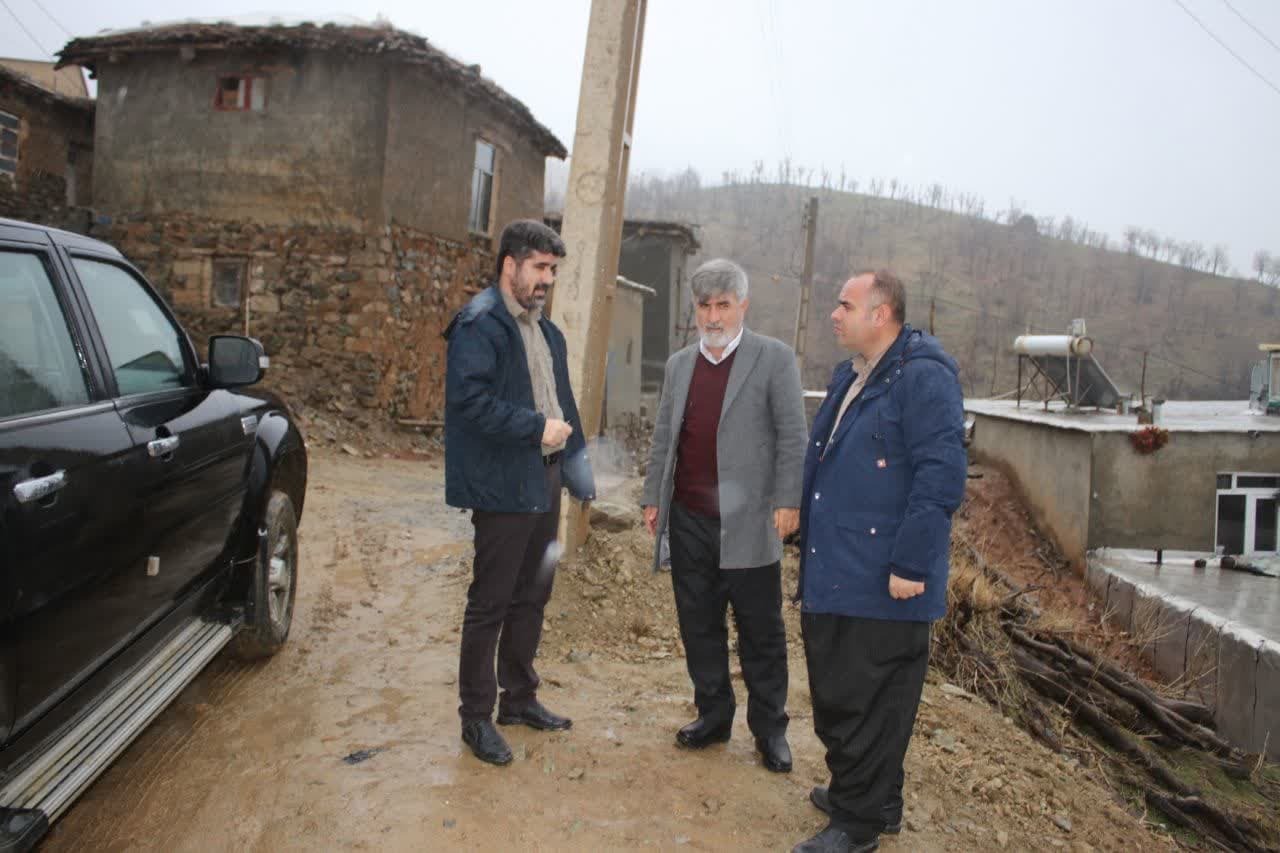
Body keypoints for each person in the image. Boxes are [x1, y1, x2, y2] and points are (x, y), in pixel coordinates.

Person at [793, 269, 967, 853]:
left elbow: (940, 475)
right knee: (848, 689)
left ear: (881, 313)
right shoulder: (855, 374)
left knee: (866, 698)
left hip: (884, 575)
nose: (834, 315)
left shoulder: (923, 378)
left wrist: (913, 567)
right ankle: (873, 797)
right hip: (840, 564)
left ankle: (857, 823)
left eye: (845, 305)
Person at [640, 258, 807, 773]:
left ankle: (770, 731)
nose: (713, 316)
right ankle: (713, 716)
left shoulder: (773, 359)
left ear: (743, 306)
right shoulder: (680, 365)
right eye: (704, 306)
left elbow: (793, 437)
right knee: (699, 624)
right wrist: (654, 496)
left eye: (723, 305)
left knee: (760, 631)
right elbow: (666, 435)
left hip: (751, 521)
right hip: (689, 518)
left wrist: (788, 501)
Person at [443, 219, 596, 766]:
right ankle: (476, 717)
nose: (546, 280)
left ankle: (520, 699)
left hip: (544, 480)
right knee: (491, 602)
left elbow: (565, 405)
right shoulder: (480, 325)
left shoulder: (545, 330)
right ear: (509, 264)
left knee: (533, 595)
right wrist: (535, 428)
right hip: (501, 484)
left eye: (552, 270)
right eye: (539, 268)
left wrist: (578, 467)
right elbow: (470, 403)